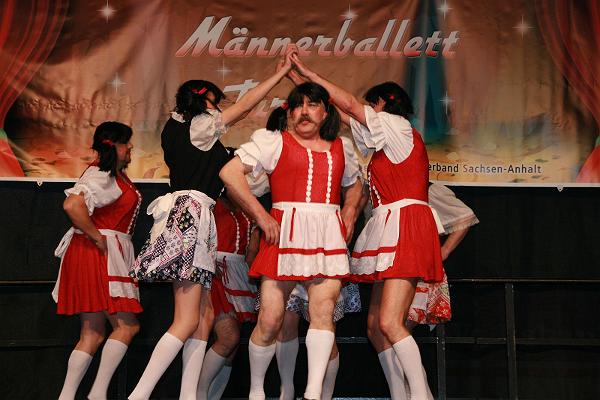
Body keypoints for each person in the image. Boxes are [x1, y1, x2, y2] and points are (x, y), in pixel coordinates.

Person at [128, 48, 297, 400]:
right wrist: (279, 74)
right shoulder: (199, 126)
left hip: (194, 217)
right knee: (187, 320)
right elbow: (245, 106)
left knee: (201, 320)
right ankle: (139, 395)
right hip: (189, 215)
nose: (221, 109)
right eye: (217, 102)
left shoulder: (187, 132)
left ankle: (189, 395)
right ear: (204, 101)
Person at [291, 55, 445, 399]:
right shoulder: (386, 139)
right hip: (391, 225)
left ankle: (421, 395)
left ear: (383, 104)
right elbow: (344, 115)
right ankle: (401, 394)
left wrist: (311, 74)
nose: (367, 112)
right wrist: (306, 90)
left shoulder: (397, 126)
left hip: (406, 224)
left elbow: (349, 105)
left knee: (390, 322)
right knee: (375, 326)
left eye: (371, 105)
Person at [219, 82, 363, 400]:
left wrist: (351, 209)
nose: (304, 112)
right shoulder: (274, 142)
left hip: (326, 235)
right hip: (283, 234)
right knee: (270, 320)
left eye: (312, 105)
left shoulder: (342, 147)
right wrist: (261, 215)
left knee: (323, 311)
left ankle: (312, 393)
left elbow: (355, 183)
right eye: (298, 106)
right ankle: (257, 391)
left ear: (325, 112)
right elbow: (230, 173)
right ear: (290, 113)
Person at [263, 105, 362, 400]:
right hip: (287, 243)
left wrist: (350, 212)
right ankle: (287, 390)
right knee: (284, 321)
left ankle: (320, 393)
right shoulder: (273, 152)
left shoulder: (336, 150)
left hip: (323, 243)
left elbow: (355, 186)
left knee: (324, 318)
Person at [53, 121, 142, 400]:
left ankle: (68, 396)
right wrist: (96, 237)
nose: (130, 147)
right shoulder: (102, 173)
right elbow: (72, 204)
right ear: (114, 145)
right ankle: (98, 394)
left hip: (91, 252)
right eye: (126, 142)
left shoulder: (108, 173)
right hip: (100, 254)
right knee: (126, 326)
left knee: (92, 332)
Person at [196, 171, 268, 400]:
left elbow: (251, 254)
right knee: (229, 337)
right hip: (215, 272)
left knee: (232, 348)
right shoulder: (212, 204)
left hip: (241, 274)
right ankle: (197, 394)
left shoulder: (250, 211)